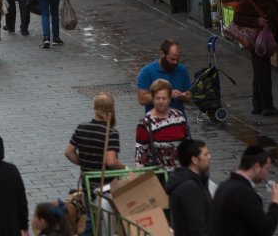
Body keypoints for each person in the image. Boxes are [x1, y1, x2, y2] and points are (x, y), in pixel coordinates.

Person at [64, 92, 125, 236]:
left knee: (91, 219)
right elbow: (110, 161)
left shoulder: (81, 128)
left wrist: (83, 162)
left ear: (95, 108)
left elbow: (69, 152)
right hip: (106, 186)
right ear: (112, 109)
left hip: (87, 182)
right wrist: (125, 169)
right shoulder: (111, 133)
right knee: (109, 222)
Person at [211, 145, 278, 236]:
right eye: (266, 168)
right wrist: (276, 203)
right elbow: (265, 230)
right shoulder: (245, 194)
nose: (267, 173)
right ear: (256, 167)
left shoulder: (223, 186)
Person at [135, 79, 190, 170]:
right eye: (157, 98)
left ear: (169, 99)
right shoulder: (145, 123)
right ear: (153, 99)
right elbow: (140, 157)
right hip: (160, 175)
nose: (161, 101)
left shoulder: (179, 116)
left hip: (181, 173)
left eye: (164, 98)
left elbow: (187, 144)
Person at [167, 139, 213, 236]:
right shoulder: (189, 188)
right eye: (205, 154)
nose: (209, 157)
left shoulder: (196, 181)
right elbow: (198, 227)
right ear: (195, 160)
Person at [136, 39, 192, 115]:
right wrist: (168, 95)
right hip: (156, 123)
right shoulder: (147, 72)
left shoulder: (182, 70)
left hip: (179, 122)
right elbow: (142, 99)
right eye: (172, 59)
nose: (175, 62)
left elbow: (189, 94)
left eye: (177, 59)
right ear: (162, 54)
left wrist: (185, 97)